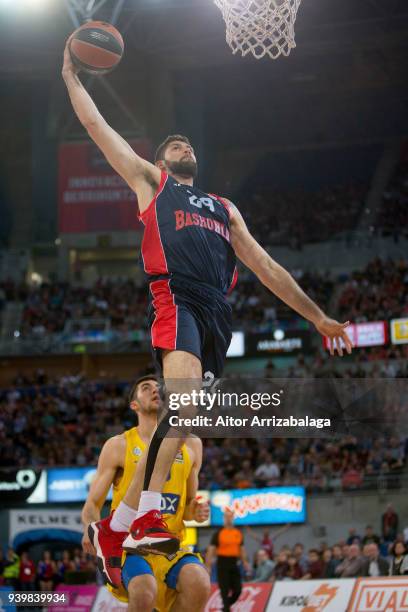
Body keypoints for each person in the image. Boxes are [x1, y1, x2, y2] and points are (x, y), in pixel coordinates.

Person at [62, 37, 353, 582]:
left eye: (187, 142)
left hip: (218, 312)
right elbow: (100, 131)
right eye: (173, 143)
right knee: (186, 400)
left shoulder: (224, 207)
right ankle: (145, 514)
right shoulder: (152, 185)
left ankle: (121, 521)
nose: (183, 145)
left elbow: (267, 267)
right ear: (159, 160)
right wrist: (72, 79)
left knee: (189, 419)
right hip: (177, 299)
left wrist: (317, 316)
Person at [82, 375, 210, 611]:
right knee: (143, 591)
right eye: (146, 387)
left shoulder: (192, 444)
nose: (154, 390)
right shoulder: (118, 445)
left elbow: (189, 504)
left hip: (169, 544)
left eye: (158, 387)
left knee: (200, 583)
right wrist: (90, 528)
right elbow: (92, 503)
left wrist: (197, 511)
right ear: (134, 405)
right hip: (129, 545)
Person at [205, 510, 249, 612]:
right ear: (224, 519)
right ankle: (226, 608)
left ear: (233, 518)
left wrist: (245, 562)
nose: (229, 519)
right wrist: (208, 565)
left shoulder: (238, 533)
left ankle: (226, 606)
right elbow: (211, 550)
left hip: (234, 563)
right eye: (227, 517)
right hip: (222, 563)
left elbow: (241, 549)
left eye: (230, 517)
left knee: (238, 590)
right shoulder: (218, 533)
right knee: (224, 590)